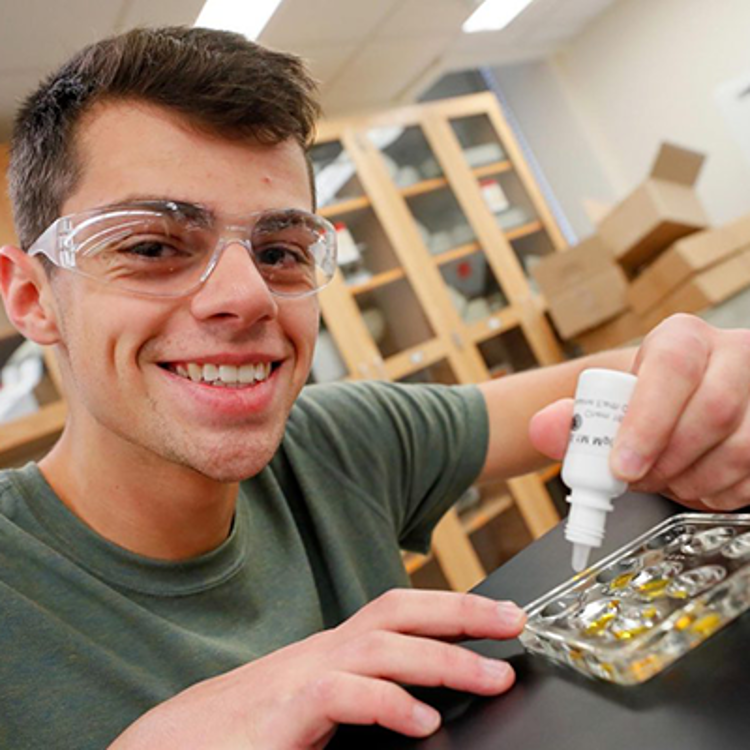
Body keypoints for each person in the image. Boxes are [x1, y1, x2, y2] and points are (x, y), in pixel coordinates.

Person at [0, 25, 748, 750]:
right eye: (153, 245)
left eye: (281, 249)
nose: (250, 294)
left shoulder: (336, 442)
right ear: (33, 298)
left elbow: (622, 383)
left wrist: (711, 382)